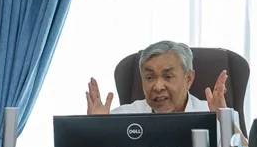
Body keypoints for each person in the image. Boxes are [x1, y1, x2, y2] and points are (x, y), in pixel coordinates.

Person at [86, 40, 228, 115]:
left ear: (188, 79)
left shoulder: (213, 113)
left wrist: (224, 122)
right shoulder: (126, 116)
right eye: (149, 77)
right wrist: (96, 127)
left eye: (167, 76)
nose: (158, 86)